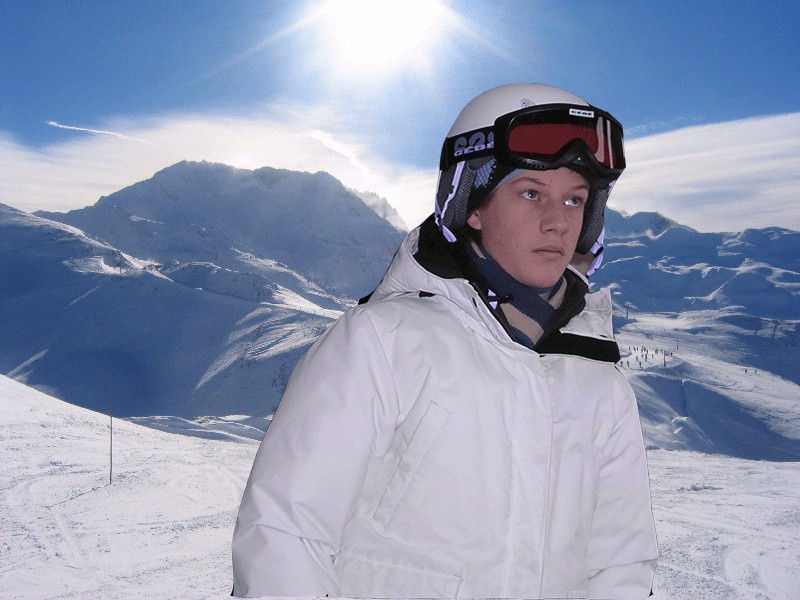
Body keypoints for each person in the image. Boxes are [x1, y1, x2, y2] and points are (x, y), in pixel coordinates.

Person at [231, 83, 658, 599]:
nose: (557, 222)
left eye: (575, 199)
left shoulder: (597, 379)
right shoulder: (384, 341)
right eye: (531, 193)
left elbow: (620, 563)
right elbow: (285, 532)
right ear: (472, 205)